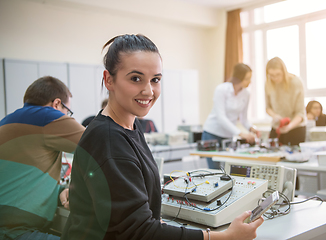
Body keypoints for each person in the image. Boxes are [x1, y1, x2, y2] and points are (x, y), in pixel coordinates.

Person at [61, 34, 263, 240]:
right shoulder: (109, 140)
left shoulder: (130, 125)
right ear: (108, 80)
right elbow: (140, 232)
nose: (148, 91)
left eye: (155, 80)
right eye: (135, 78)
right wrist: (226, 237)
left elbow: (132, 216)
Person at [0, 76, 85, 240]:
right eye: (67, 111)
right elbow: (100, 145)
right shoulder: (47, 116)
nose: (67, 116)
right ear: (57, 104)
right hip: (15, 232)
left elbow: (19, 181)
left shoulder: (6, 121)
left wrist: (61, 191)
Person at [202, 63, 260, 169]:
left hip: (228, 137)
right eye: (247, 78)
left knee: (227, 170)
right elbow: (221, 118)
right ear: (239, 77)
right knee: (214, 171)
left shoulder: (246, 94)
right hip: (212, 134)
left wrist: (252, 129)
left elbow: (244, 119)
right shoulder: (222, 89)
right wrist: (241, 133)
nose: (250, 82)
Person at [265, 57, 306, 146]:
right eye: (271, 75)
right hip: (277, 127)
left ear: (284, 71)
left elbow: (300, 113)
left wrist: (289, 126)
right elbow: (268, 108)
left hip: (295, 128)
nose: (275, 78)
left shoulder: (296, 82)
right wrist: (274, 115)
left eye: (278, 74)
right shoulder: (268, 83)